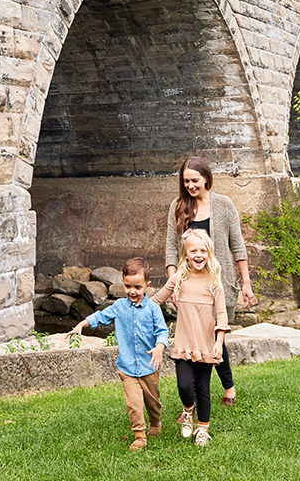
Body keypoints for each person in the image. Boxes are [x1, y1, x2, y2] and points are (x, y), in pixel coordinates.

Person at [165, 156, 255, 407]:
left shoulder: (224, 205)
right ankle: (192, 399)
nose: (191, 186)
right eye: (186, 182)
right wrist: (174, 282)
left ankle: (228, 385)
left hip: (219, 284)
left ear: (206, 178)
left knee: (216, 334)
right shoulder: (177, 206)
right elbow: (171, 249)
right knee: (193, 336)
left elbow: (237, 245)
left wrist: (245, 282)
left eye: (195, 180)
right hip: (189, 286)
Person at [67, 257, 169, 452]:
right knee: (134, 403)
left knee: (152, 401)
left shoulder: (153, 309)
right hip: (127, 366)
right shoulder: (119, 307)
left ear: (147, 286)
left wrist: (159, 347)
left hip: (149, 366)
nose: (132, 291)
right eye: (128, 286)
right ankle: (139, 436)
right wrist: (82, 324)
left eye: (137, 287)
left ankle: (155, 421)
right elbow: (100, 316)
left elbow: (162, 332)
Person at [151, 229, 230, 447]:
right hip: (184, 343)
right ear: (186, 254)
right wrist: (136, 307)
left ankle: (203, 429)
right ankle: (188, 410)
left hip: (205, 344)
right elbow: (157, 299)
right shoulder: (179, 278)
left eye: (203, 250)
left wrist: (219, 343)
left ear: (209, 253)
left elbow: (222, 314)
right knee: (184, 386)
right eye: (193, 250)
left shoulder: (214, 281)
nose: (198, 254)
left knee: (203, 387)